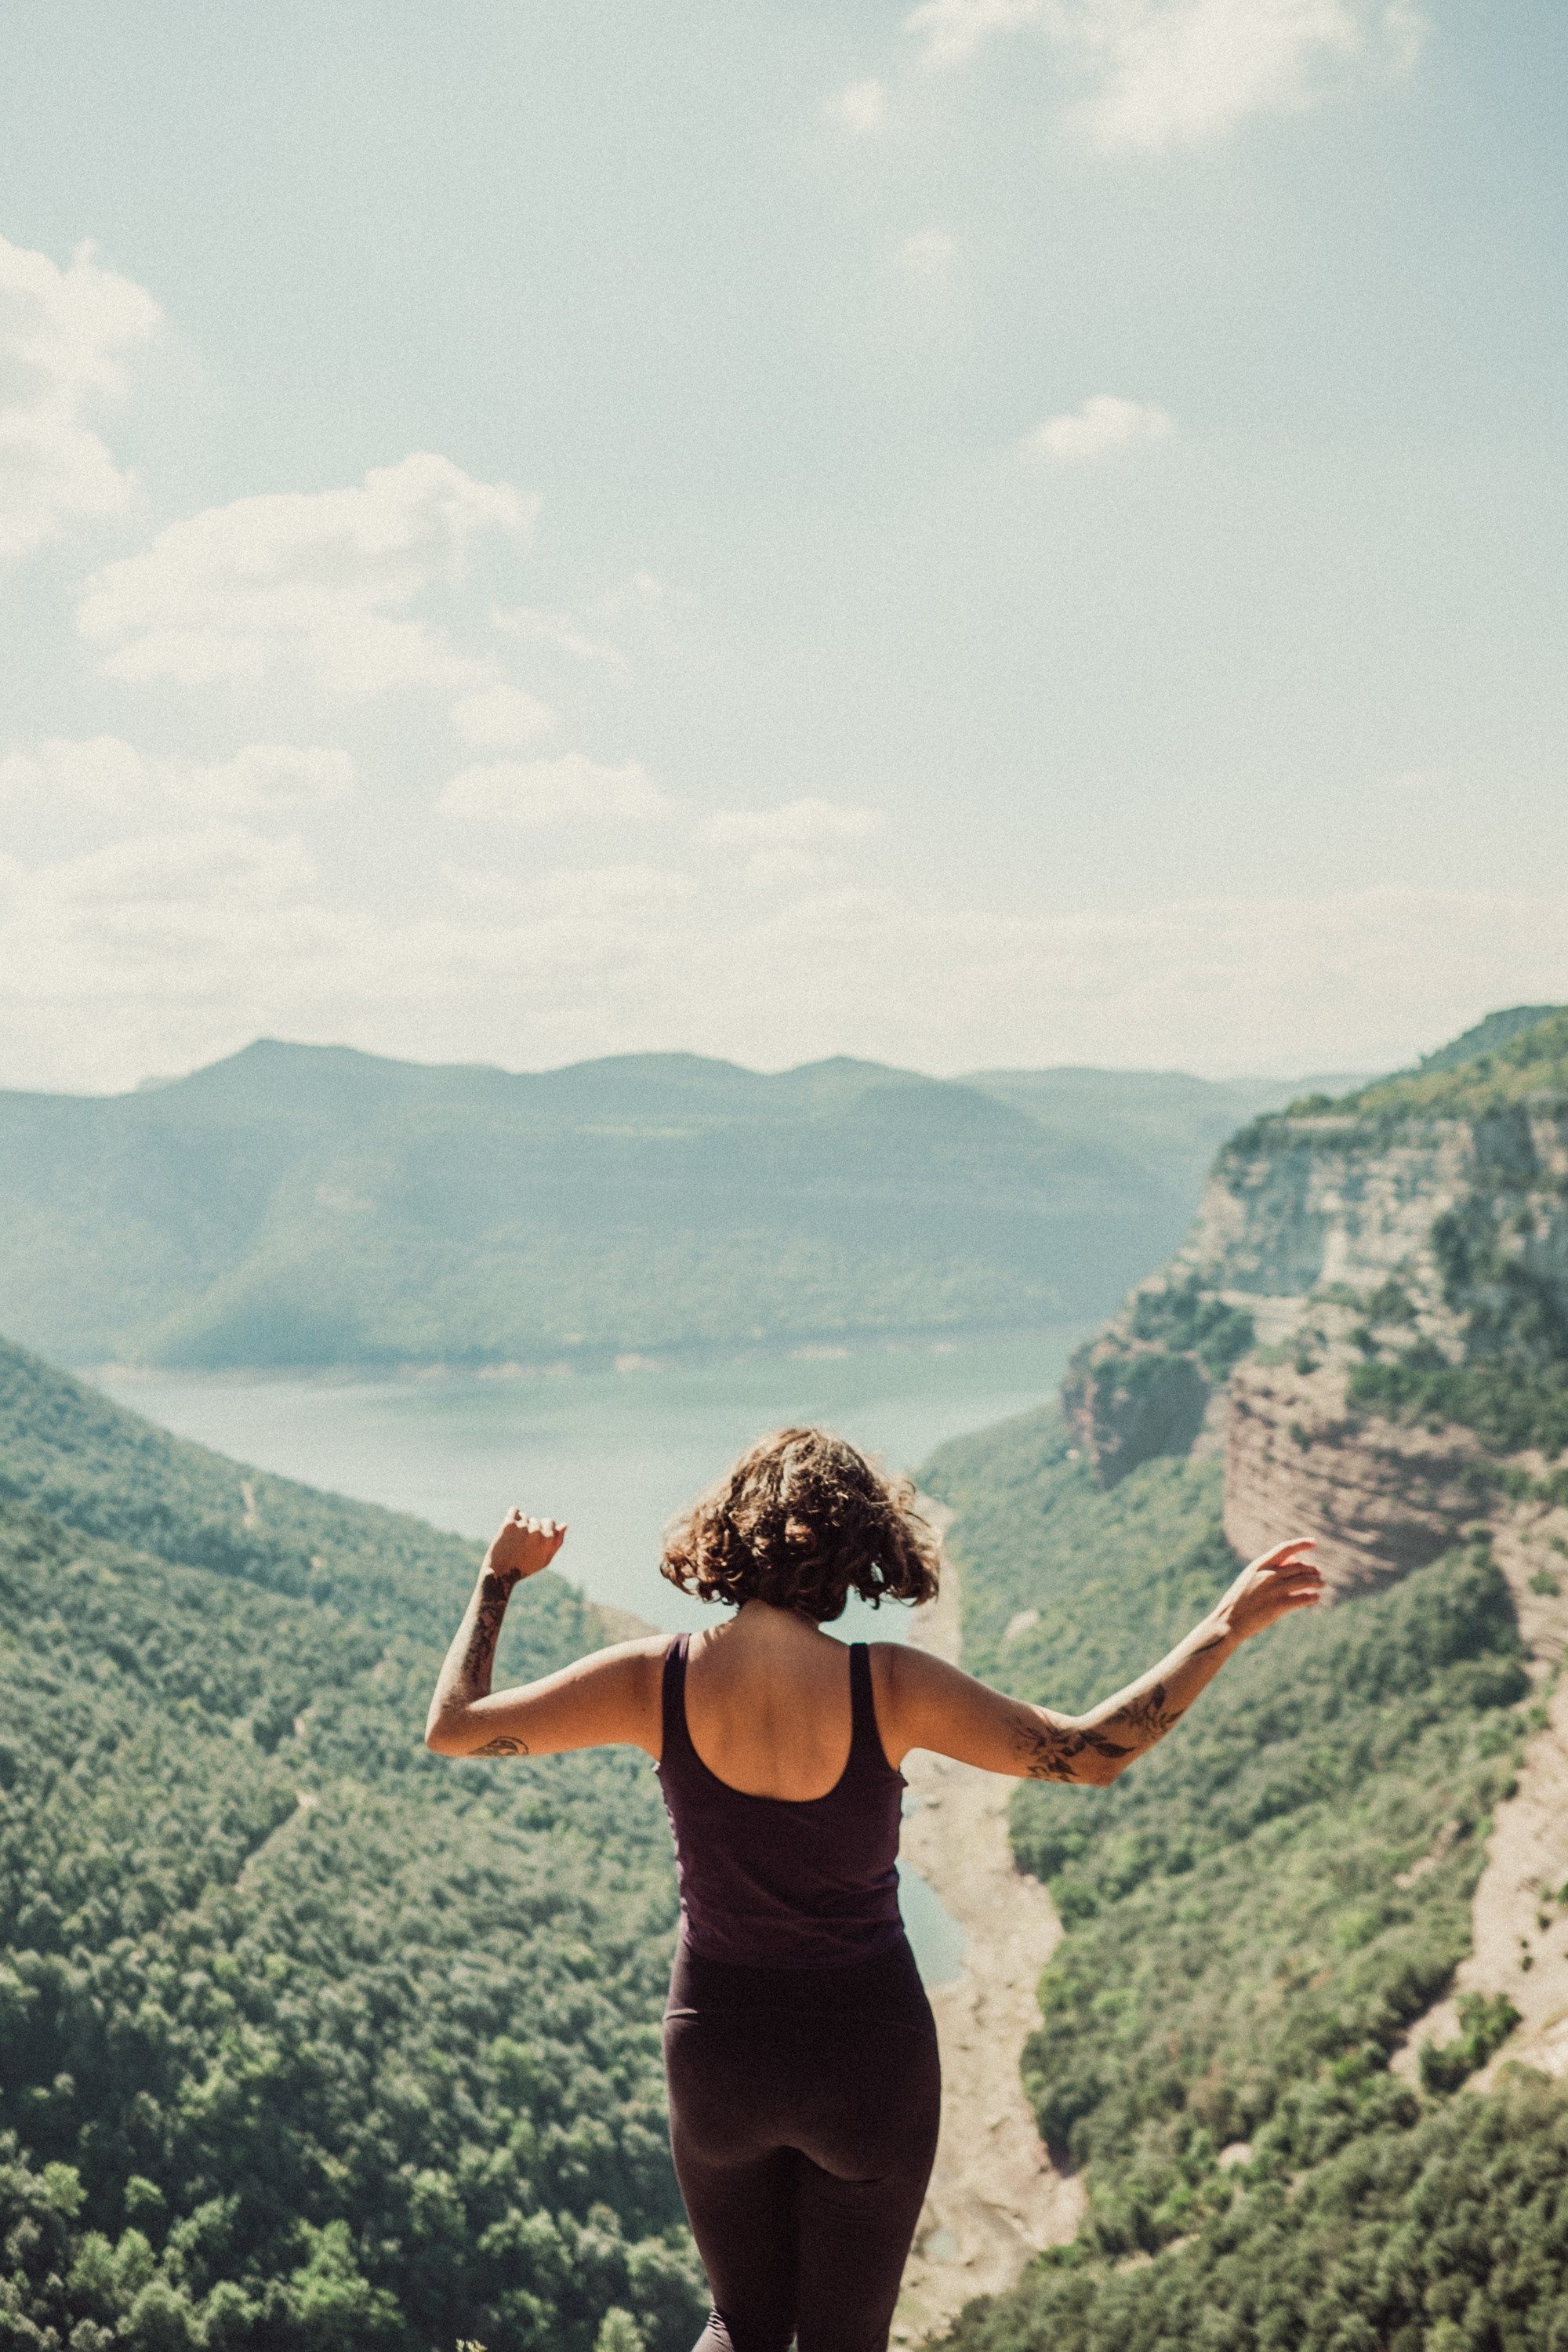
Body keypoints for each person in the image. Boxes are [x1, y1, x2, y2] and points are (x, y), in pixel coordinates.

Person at [425, 1425, 1319, 2352]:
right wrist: (1225, 1626)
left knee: (741, 2322)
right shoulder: (886, 1685)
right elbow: (1090, 1754)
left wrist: (498, 1579)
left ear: (726, 1530)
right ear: (859, 1547)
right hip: (868, 2054)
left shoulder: (655, 1678)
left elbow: (452, 1728)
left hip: (717, 2046)